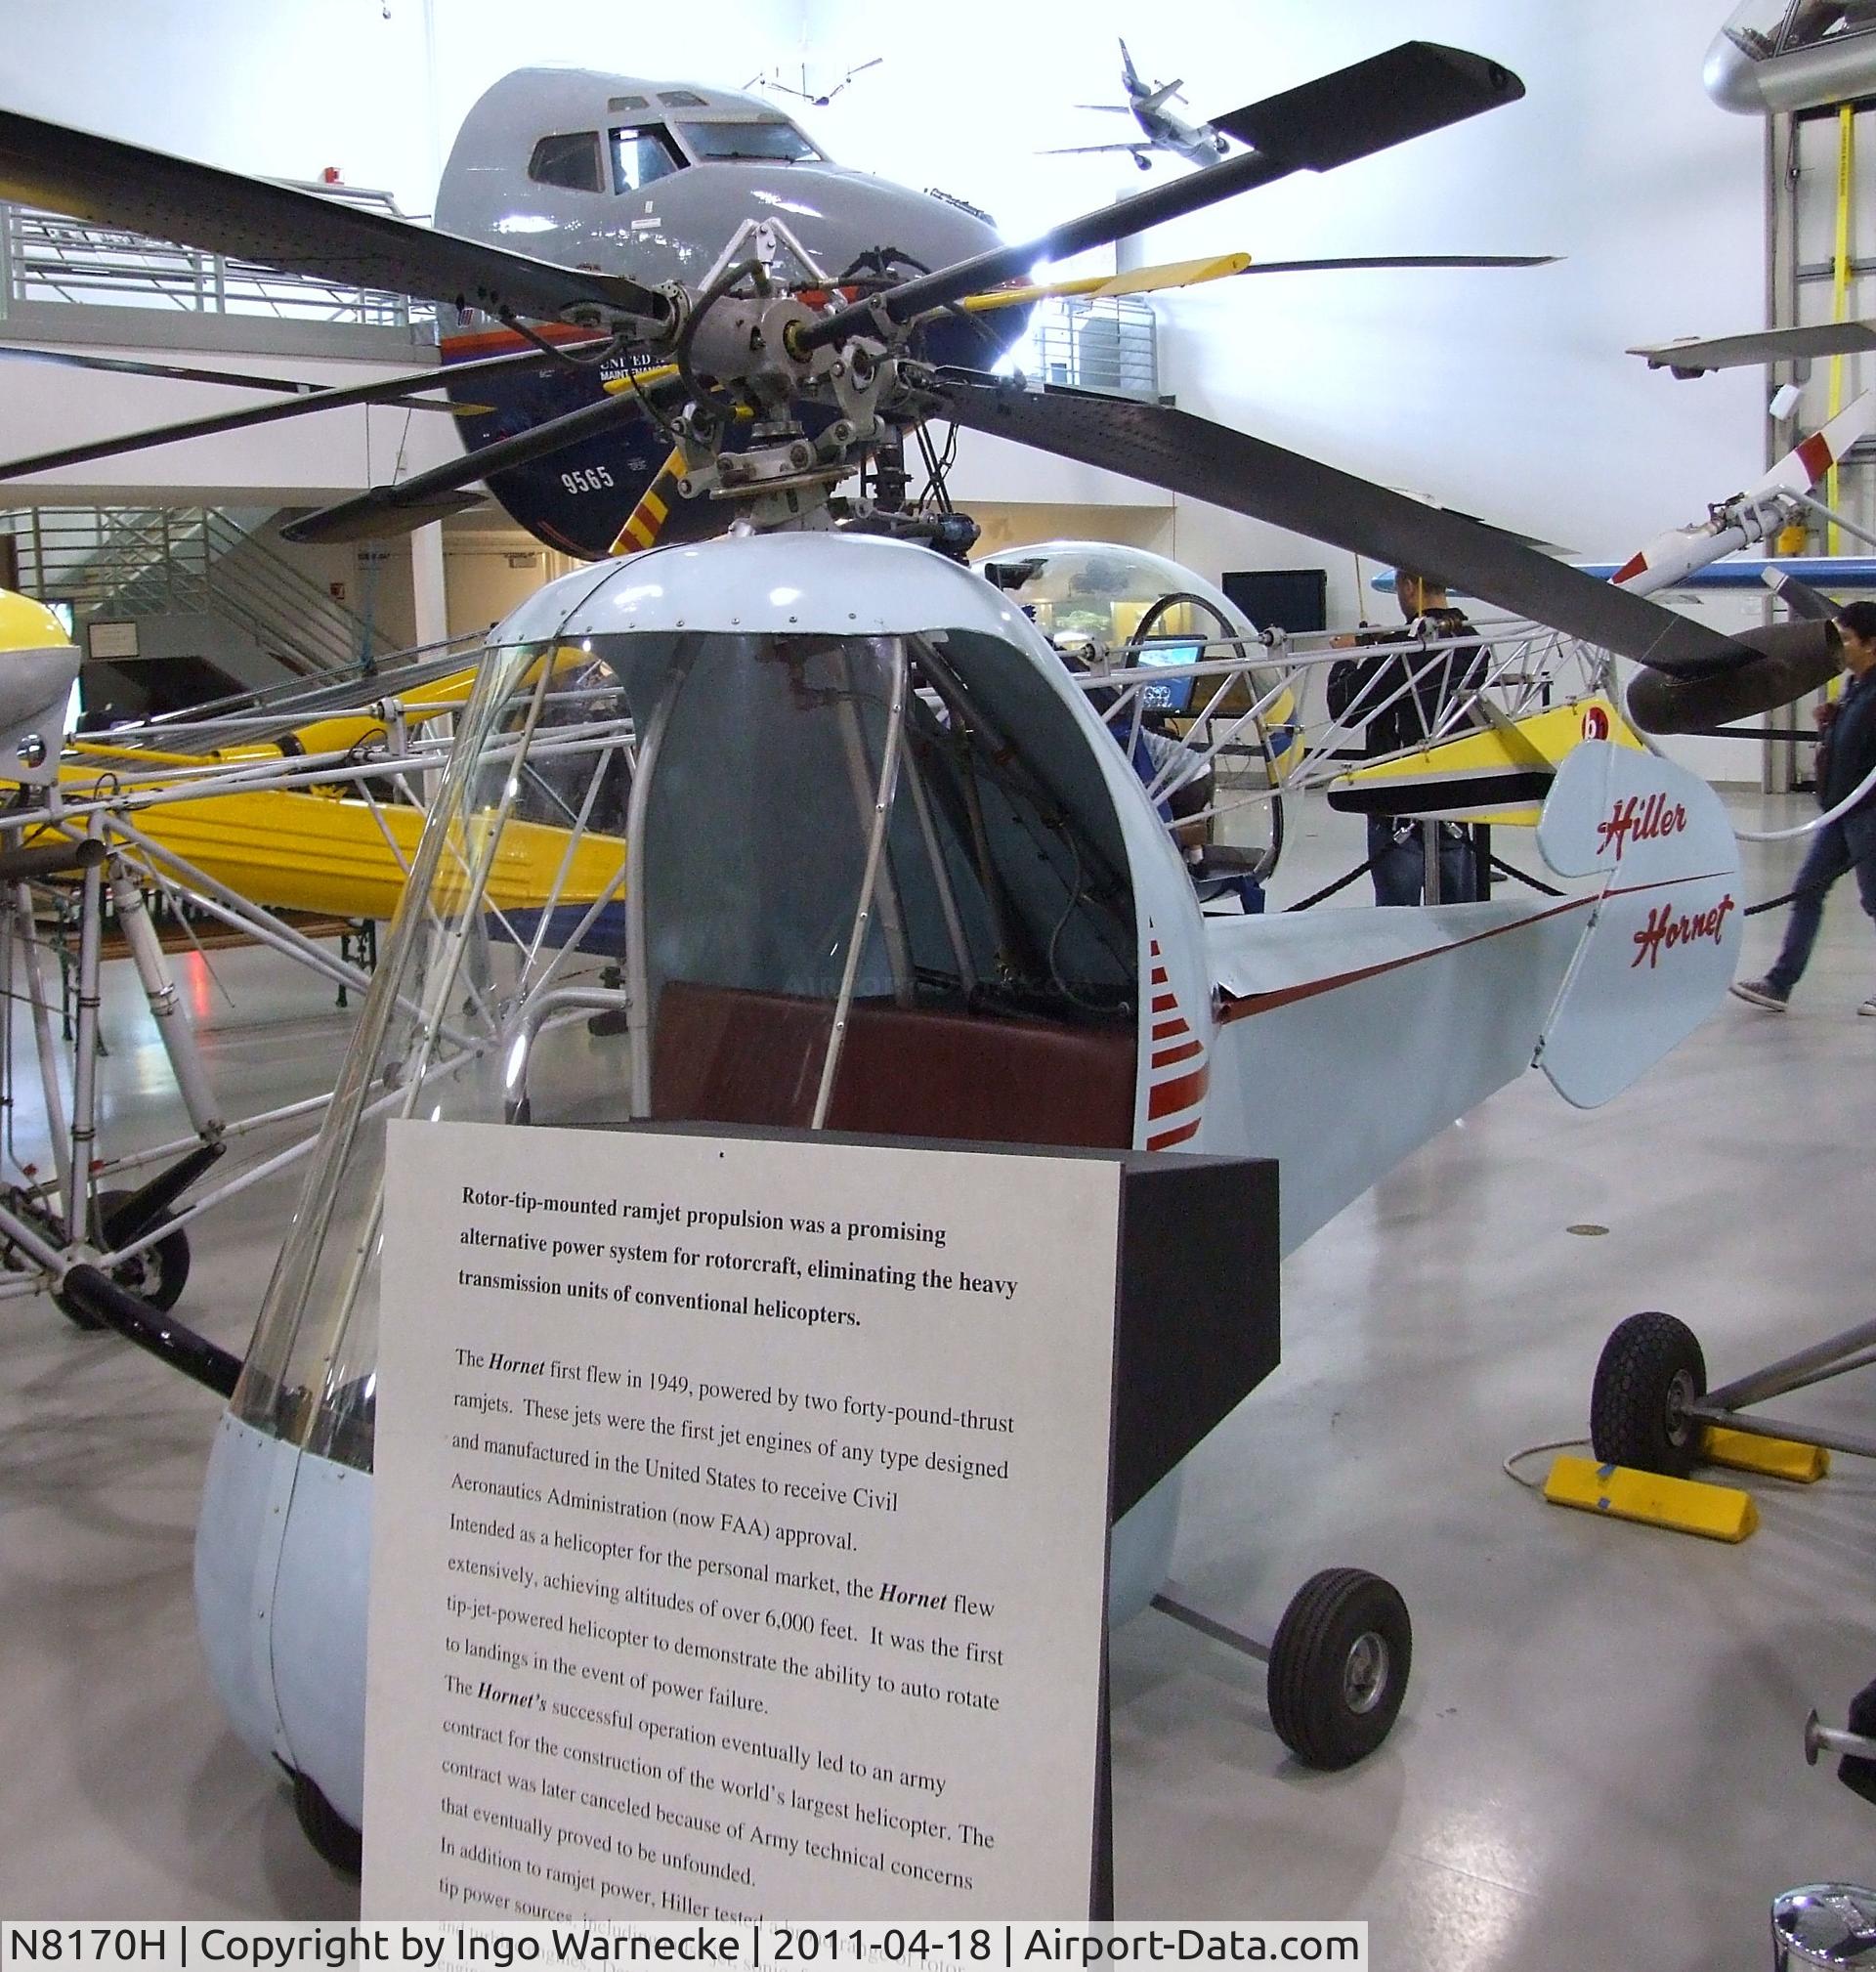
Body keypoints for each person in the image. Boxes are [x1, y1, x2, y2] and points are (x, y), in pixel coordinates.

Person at [1732, 600, 1876, 1013]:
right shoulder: (1855, 685)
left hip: (1868, 815)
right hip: (1840, 811)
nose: (1840, 646)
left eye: (1846, 638)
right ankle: (1779, 983)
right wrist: (1835, 717)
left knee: (1875, 900)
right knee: (1806, 890)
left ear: (1871, 644)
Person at [1327, 569, 1489, 906]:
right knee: (1459, 912)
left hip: (1398, 797)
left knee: (1397, 917)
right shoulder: (1476, 645)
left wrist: (1345, 657)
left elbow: (1346, 707)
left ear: (1408, 587)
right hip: (1455, 793)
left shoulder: (1400, 648)